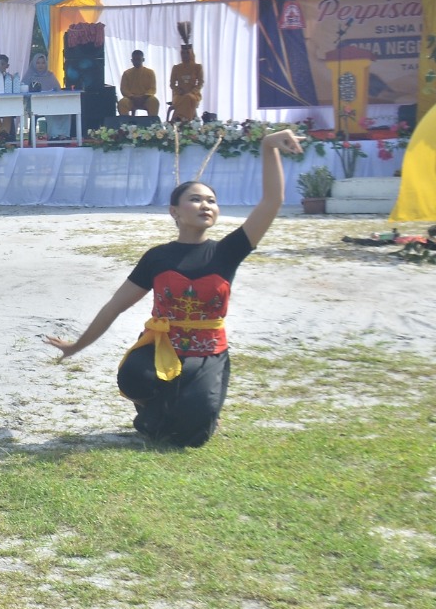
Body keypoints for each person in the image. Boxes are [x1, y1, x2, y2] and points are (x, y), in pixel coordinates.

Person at [44, 129, 304, 447]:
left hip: (208, 353)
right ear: (175, 212)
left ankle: (199, 409)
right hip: (161, 346)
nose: (205, 205)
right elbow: (115, 306)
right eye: (195, 199)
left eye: (211, 200)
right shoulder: (158, 257)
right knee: (132, 378)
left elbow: (272, 201)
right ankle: (162, 408)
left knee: (190, 436)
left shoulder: (229, 250)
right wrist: (76, 346)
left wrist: (268, 147)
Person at [169, 42, 205, 122]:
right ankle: (184, 122)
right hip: (179, 95)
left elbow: (200, 83)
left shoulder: (197, 67)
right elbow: (172, 84)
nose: (185, 55)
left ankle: (179, 120)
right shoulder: (176, 68)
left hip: (193, 95)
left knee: (188, 97)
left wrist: (192, 91)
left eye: (187, 53)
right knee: (185, 98)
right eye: (183, 53)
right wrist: (179, 91)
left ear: (191, 53)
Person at [118, 50, 159, 117]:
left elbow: (152, 88)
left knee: (154, 102)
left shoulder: (150, 72)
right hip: (131, 99)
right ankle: (126, 125)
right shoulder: (126, 73)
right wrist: (132, 97)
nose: (136, 61)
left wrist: (144, 97)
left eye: (138, 59)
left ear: (143, 59)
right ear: (132, 60)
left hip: (146, 99)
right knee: (122, 103)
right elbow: (124, 89)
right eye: (134, 59)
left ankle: (152, 125)